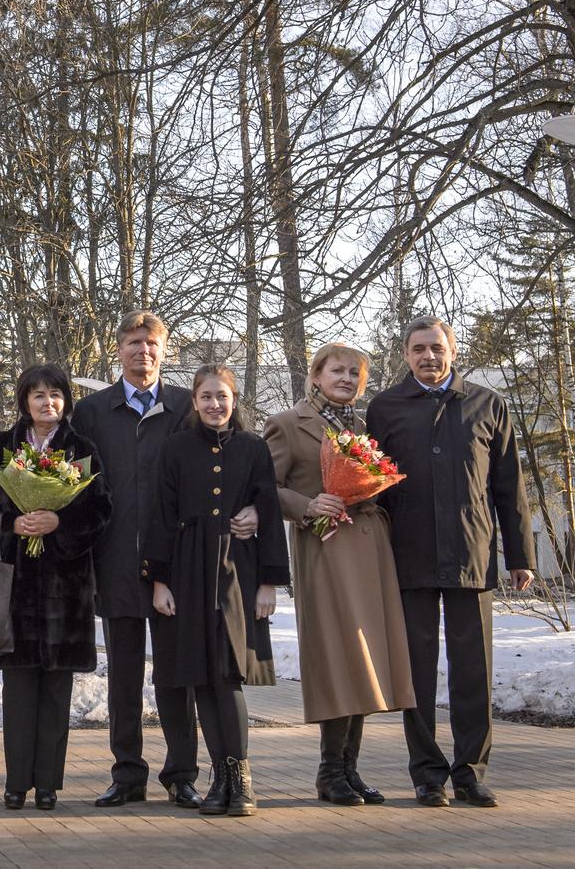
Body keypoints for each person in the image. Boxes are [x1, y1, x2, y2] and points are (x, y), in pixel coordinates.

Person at [367, 315, 536, 808]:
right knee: (416, 671)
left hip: (471, 554)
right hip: (410, 557)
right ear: (405, 354)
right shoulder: (385, 407)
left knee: (472, 671)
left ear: (453, 350)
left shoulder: (487, 403)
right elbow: (372, 484)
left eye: (437, 347)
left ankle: (471, 772)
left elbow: (509, 487)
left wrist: (520, 555)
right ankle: (427, 774)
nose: (428, 356)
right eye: (418, 348)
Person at [72, 311, 227, 809]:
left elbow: (221, 463)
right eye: (134, 342)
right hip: (115, 559)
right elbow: (77, 484)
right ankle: (127, 773)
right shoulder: (93, 411)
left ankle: (181, 773)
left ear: (165, 351)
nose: (143, 351)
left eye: (152, 343)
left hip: (176, 564)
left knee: (176, 675)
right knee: (122, 675)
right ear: (119, 349)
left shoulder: (186, 405)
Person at [263, 343, 416, 806]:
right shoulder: (289, 423)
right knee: (338, 653)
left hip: (371, 549)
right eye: (337, 370)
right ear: (315, 375)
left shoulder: (366, 427)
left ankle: (349, 769)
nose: (347, 378)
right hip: (324, 546)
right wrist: (307, 506)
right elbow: (265, 487)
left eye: (355, 373)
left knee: (366, 656)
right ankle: (329, 771)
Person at [0, 364, 111, 810]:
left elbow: (101, 511)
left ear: (66, 401)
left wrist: (58, 522)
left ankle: (47, 784)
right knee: (20, 691)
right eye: (39, 395)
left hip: (67, 588)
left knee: (56, 692)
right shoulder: (1, 448)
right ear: (24, 400)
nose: (48, 403)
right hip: (15, 589)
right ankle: (15, 782)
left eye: (56, 395)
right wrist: (13, 523)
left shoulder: (81, 450)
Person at [146, 365, 289, 817]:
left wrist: (269, 582)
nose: (214, 405)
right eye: (206, 397)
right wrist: (160, 581)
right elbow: (161, 516)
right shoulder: (175, 448)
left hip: (237, 572)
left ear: (234, 400)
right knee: (201, 676)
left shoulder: (252, 447)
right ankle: (219, 779)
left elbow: (267, 510)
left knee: (228, 675)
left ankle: (241, 779)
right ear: (194, 401)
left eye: (222, 397)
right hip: (188, 570)